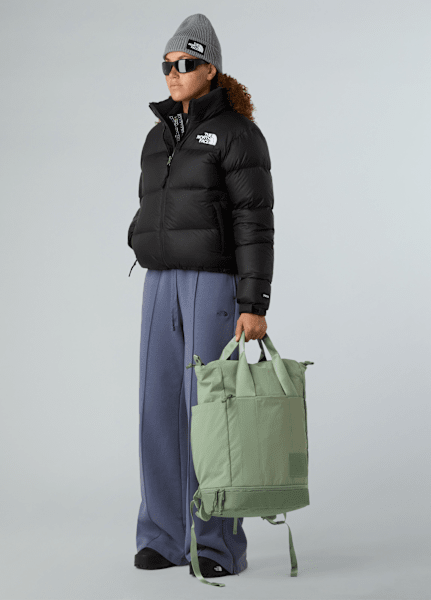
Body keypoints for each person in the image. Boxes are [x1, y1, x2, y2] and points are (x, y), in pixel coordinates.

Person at [130, 14, 274, 578]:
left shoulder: (238, 134)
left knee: (212, 411)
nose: (174, 72)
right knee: (157, 409)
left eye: (186, 63)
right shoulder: (157, 136)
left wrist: (253, 303)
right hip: (159, 282)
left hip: (213, 282)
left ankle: (218, 545)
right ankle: (164, 536)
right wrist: (140, 238)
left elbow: (254, 219)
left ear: (210, 68)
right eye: (167, 64)